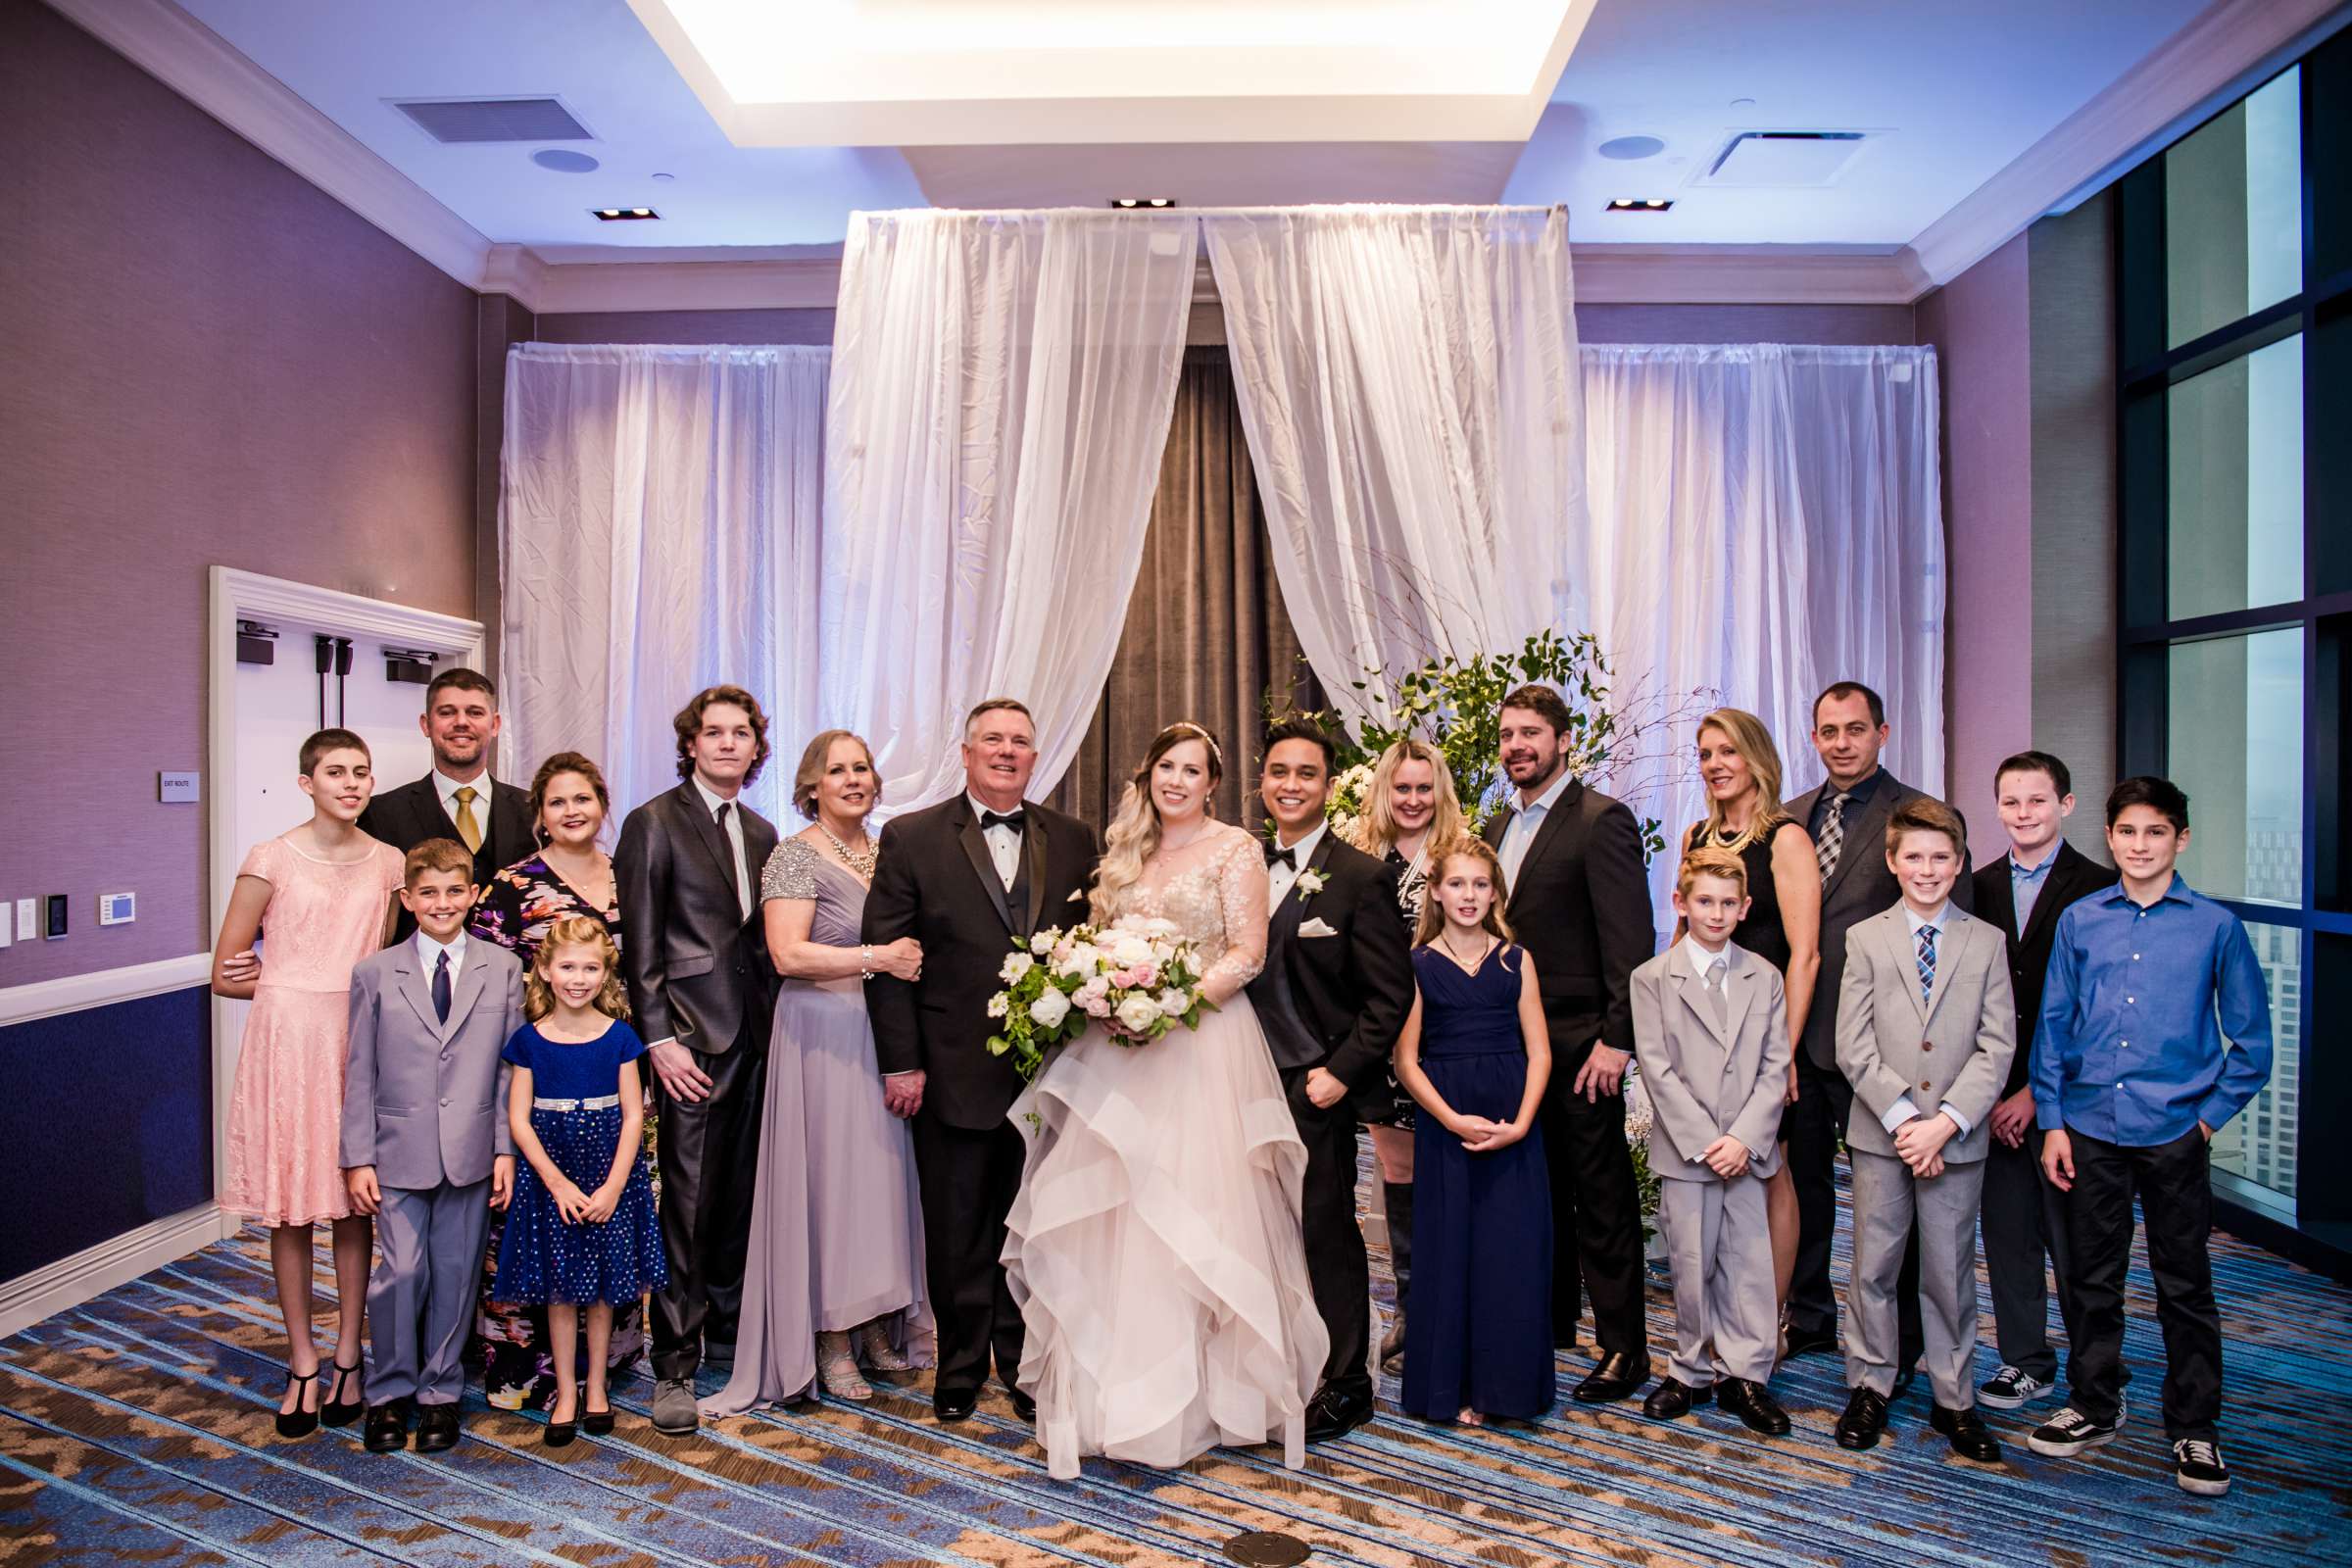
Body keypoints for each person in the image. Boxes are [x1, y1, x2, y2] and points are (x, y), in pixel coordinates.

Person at [1002, 721, 1327, 1479]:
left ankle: (1210, 1403)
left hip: (1203, 1047)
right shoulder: (1124, 854)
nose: (1176, 781)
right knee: (1117, 1218)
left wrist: (1169, 1005)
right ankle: (1113, 1401)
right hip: (1120, 1052)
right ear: (1147, 775)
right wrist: (1104, 994)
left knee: (1196, 1215)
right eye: (1165, 767)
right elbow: (1095, 945)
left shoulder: (1236, 848)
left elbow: (1247, 954)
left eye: (1192, 770)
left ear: (1214, 782)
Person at [2028, 777, 2272, 1498]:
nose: (2139, 846)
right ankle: (2095, 1403)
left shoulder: (2215, 927)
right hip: (2090, 1126)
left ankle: (2195, 1426)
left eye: (2155, 833)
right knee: (2091, 1277)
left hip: (2174, 1132)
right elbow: (2054, 1026)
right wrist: (2051, 1121)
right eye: (2127, 832)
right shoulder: (2081, 920)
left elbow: (2252, 1044)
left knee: (2184, 1283)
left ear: (2181, 840)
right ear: (2110, 837)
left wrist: (2204, 1120)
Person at [861, 699, 1101, 1425]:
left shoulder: (1073, 837)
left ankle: (1025, 1364)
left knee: (1034, 1225)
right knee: (959, 1227)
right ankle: (961, 1367)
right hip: (951, 1067)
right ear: (966, 753)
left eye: (1020, 742)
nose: (1006, 751)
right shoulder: (913, 836)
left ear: (1035, 757)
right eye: (992, 740)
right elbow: (888, 960)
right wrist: (901, 1063)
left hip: (1050, 1074)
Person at [706, 730, 934, 1416]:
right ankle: (830, 1337)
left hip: (881, 1034)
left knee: (877, 1182)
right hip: (820, 1035)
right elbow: (786, 954)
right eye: (837, 770)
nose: (853, 779)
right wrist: (879, 958)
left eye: (861, 767)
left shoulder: (888, 849)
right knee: (830, 1185)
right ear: (813, 785)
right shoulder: (793, 856)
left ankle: (872, 1321)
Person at [212, 728, 405, 1439]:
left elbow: (380, 961)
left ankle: (350, 1356)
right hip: (286, 1045)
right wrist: (291, 986)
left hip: (356, 1041)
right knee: (290, 1211)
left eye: (361, 772)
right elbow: (225, 972)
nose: (351, 784)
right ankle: (302, 1359)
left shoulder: (390, 863)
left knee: (354, 1206)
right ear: (307, 782)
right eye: (335, 772)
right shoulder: (271, 858)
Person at [1780, 681, 1972, 1374]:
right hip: (1803, 1040)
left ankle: (1908, 1336)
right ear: (1814, 737)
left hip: (1884, 1055)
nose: (1841, 742)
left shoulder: (1921, 816)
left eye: (1855, 729)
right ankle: (1809, 1316)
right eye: (1828, 730)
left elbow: (1951, 942)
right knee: (1803, 1189)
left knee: (1897, 1202)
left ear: (1882, 734)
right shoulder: (1791, 819)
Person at [1478, 683, 1654, 1403]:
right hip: (1512, 1046)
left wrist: (1619, 1041)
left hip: (1584, 1046)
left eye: (1531, 733)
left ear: (1561, 741)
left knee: (1600, 1196)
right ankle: (1551, 1326)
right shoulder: (1494, 829)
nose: (1518, 745)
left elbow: (1630, 942)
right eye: (1508, 735)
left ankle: (1625, 1348)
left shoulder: (1601, 821)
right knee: (1533, 1192)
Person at [614, 684, 782, 1437]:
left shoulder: (762, 829)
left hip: (756, 1034)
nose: (726, 743)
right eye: (712, 732)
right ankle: (674, 1364)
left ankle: (727, 1337)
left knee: (741, 1197)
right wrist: (659, 1040)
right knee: (684, 1203)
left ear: (755, 746)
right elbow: (640, 944)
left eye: (740, 733)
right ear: (691, 743)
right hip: (686, 1040)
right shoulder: (653, 822)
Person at [1245, 719, 1415, 1442]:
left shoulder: (1361, 876)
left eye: (1306, 773)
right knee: (1249, 1231)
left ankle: (1348, 1381)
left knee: (1323, 1231)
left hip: (1312, 1086)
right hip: (1236, 1080)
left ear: (1329, 785)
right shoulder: (1237, 864)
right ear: (1262, 782)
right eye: (1279, 771)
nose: (1291, 785)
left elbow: (1390, 997)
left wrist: (1339, 1076)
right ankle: (1266, 1365)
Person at [1831, 798, 2014, 1463]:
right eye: (1914, 857)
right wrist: (1908, 1119)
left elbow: (1997, 1047)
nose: (1927, 868)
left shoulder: (1985, 941)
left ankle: (1954, 1399)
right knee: (1873, 1268)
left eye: (1941, 857)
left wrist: (1945, 1125)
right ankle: (1870, 1387)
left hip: (1956, 1140)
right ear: (1892, 861)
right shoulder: (1866, 939)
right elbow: (1852, 1044)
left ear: (1959, 863)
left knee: (1949, 1272)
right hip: (1885, 1135)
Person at [467, 752, 650, 1412]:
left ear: (603, 804)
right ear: (539, 815)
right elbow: (483, 985)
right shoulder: (512, 887)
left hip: (619, 1060)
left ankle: (608, 1364)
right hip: (539, 1065)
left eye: (584, 798)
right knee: (538, 1215)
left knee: (611, 1213)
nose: (573, 811)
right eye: (558, 801)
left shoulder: (632, 876)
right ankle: (528, 1362)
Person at [340, 839, 524, 1455]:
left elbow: (507, 1070)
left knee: (454, 1272)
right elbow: (359, 1070)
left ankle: (440, 1392)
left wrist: (505, 1149)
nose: (442, 903)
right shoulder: (374, 972)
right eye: (428, 893)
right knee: (401, 1272)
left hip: (473, 1148)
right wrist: (357, 1156)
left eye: (454, 891)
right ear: (407, 899)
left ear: (472, 895)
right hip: (397, 1149)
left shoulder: (502, 968)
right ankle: (388, 1391)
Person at [1969, 751, 2116, 1413]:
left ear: (2066, 804)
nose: (2023, 813)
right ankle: (2025, 1361)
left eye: (2037, 800)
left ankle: (2096, 1370)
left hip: (2068, 1101)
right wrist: (1996, 1091)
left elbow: (2099, 1009)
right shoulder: (1976, 885)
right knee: (2008, 1235)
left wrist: (2036, 1093)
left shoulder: (2101, 888)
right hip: (1991, 1095)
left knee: (2077, 1241)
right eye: (2010, 802)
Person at [1631, 847, 1792, 1437]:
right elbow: (1657, 1067)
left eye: (1729, 903)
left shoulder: (1764, 976)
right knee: (1691, 1262)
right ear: (1681, 903)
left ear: (1745, 908)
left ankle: (1747, 1373)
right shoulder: (1652, 979)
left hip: (1747, 1151)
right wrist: (1707, 1142)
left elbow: (1776, 1066)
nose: (1717, 913)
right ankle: (1690, 1368)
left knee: (1748, 1262)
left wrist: (1743, 1140)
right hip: (1688, 1150)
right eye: (1704, 901)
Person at [1392, 837, 1553, 1426]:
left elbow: (1539, 1051)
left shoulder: (1517, 960)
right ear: (1435, 891)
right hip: (1449, 1123)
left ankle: (1506, 1389)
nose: (1469, 895)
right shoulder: (1417, 965)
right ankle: (1452, 1386)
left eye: (1480, 885)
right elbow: (1407, 1060)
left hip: (1515, 1122)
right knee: (1452, 1249)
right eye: (1457, 884)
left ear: (1495, 893)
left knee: (1510, 1252)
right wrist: (1450, 1118)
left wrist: (1524, 1123)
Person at [497, 917, 668, 1446]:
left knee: (601, 1291)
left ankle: (597, 1387)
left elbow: (634, 1114)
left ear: (605, 973)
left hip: (607, 1173)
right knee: (560, 1289)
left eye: (590, 968)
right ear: (544, 971)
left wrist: (615, 1187)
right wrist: (556, 1184)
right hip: (554, 1176)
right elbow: (519, 1119)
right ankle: (567, 1391)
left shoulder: (621, 1037)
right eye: (567, 967)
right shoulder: (529, 1041)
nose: (578, 978)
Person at [1678, 709, 1818, 1328]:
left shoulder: (1786, 839)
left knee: (1769, 1174)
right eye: (1706, 754)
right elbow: (1679, 945)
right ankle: (1714, 1318)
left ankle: (1770, 1320)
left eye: (1728, 751)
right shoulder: (1693, 839)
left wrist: (1783, 1053)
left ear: (1756, 757)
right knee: (1705, 1175)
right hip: (1702, 1038)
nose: (1715, 765)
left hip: (1766, 1042)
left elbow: (1805, 954)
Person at [1348, 737, 1466, 1368]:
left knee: (1448, 1174)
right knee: (1398, 1173)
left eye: (1424, 788)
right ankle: (1410, 1310)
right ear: (1385, 794)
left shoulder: (1460, 859)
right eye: (1403, 788)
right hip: (1381, 1044)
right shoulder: (1362, 858)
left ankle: (1452, 1307)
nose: (1414, 800)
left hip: (1445, 1041)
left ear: (1439, 792)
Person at [357, 668, 533, 938]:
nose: (461, 722)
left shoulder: (533, 809)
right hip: (415, 975)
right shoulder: (382, 815)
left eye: (475, 712)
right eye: (447, 712)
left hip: (514, 975)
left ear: (495, 724)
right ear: (426, 724)